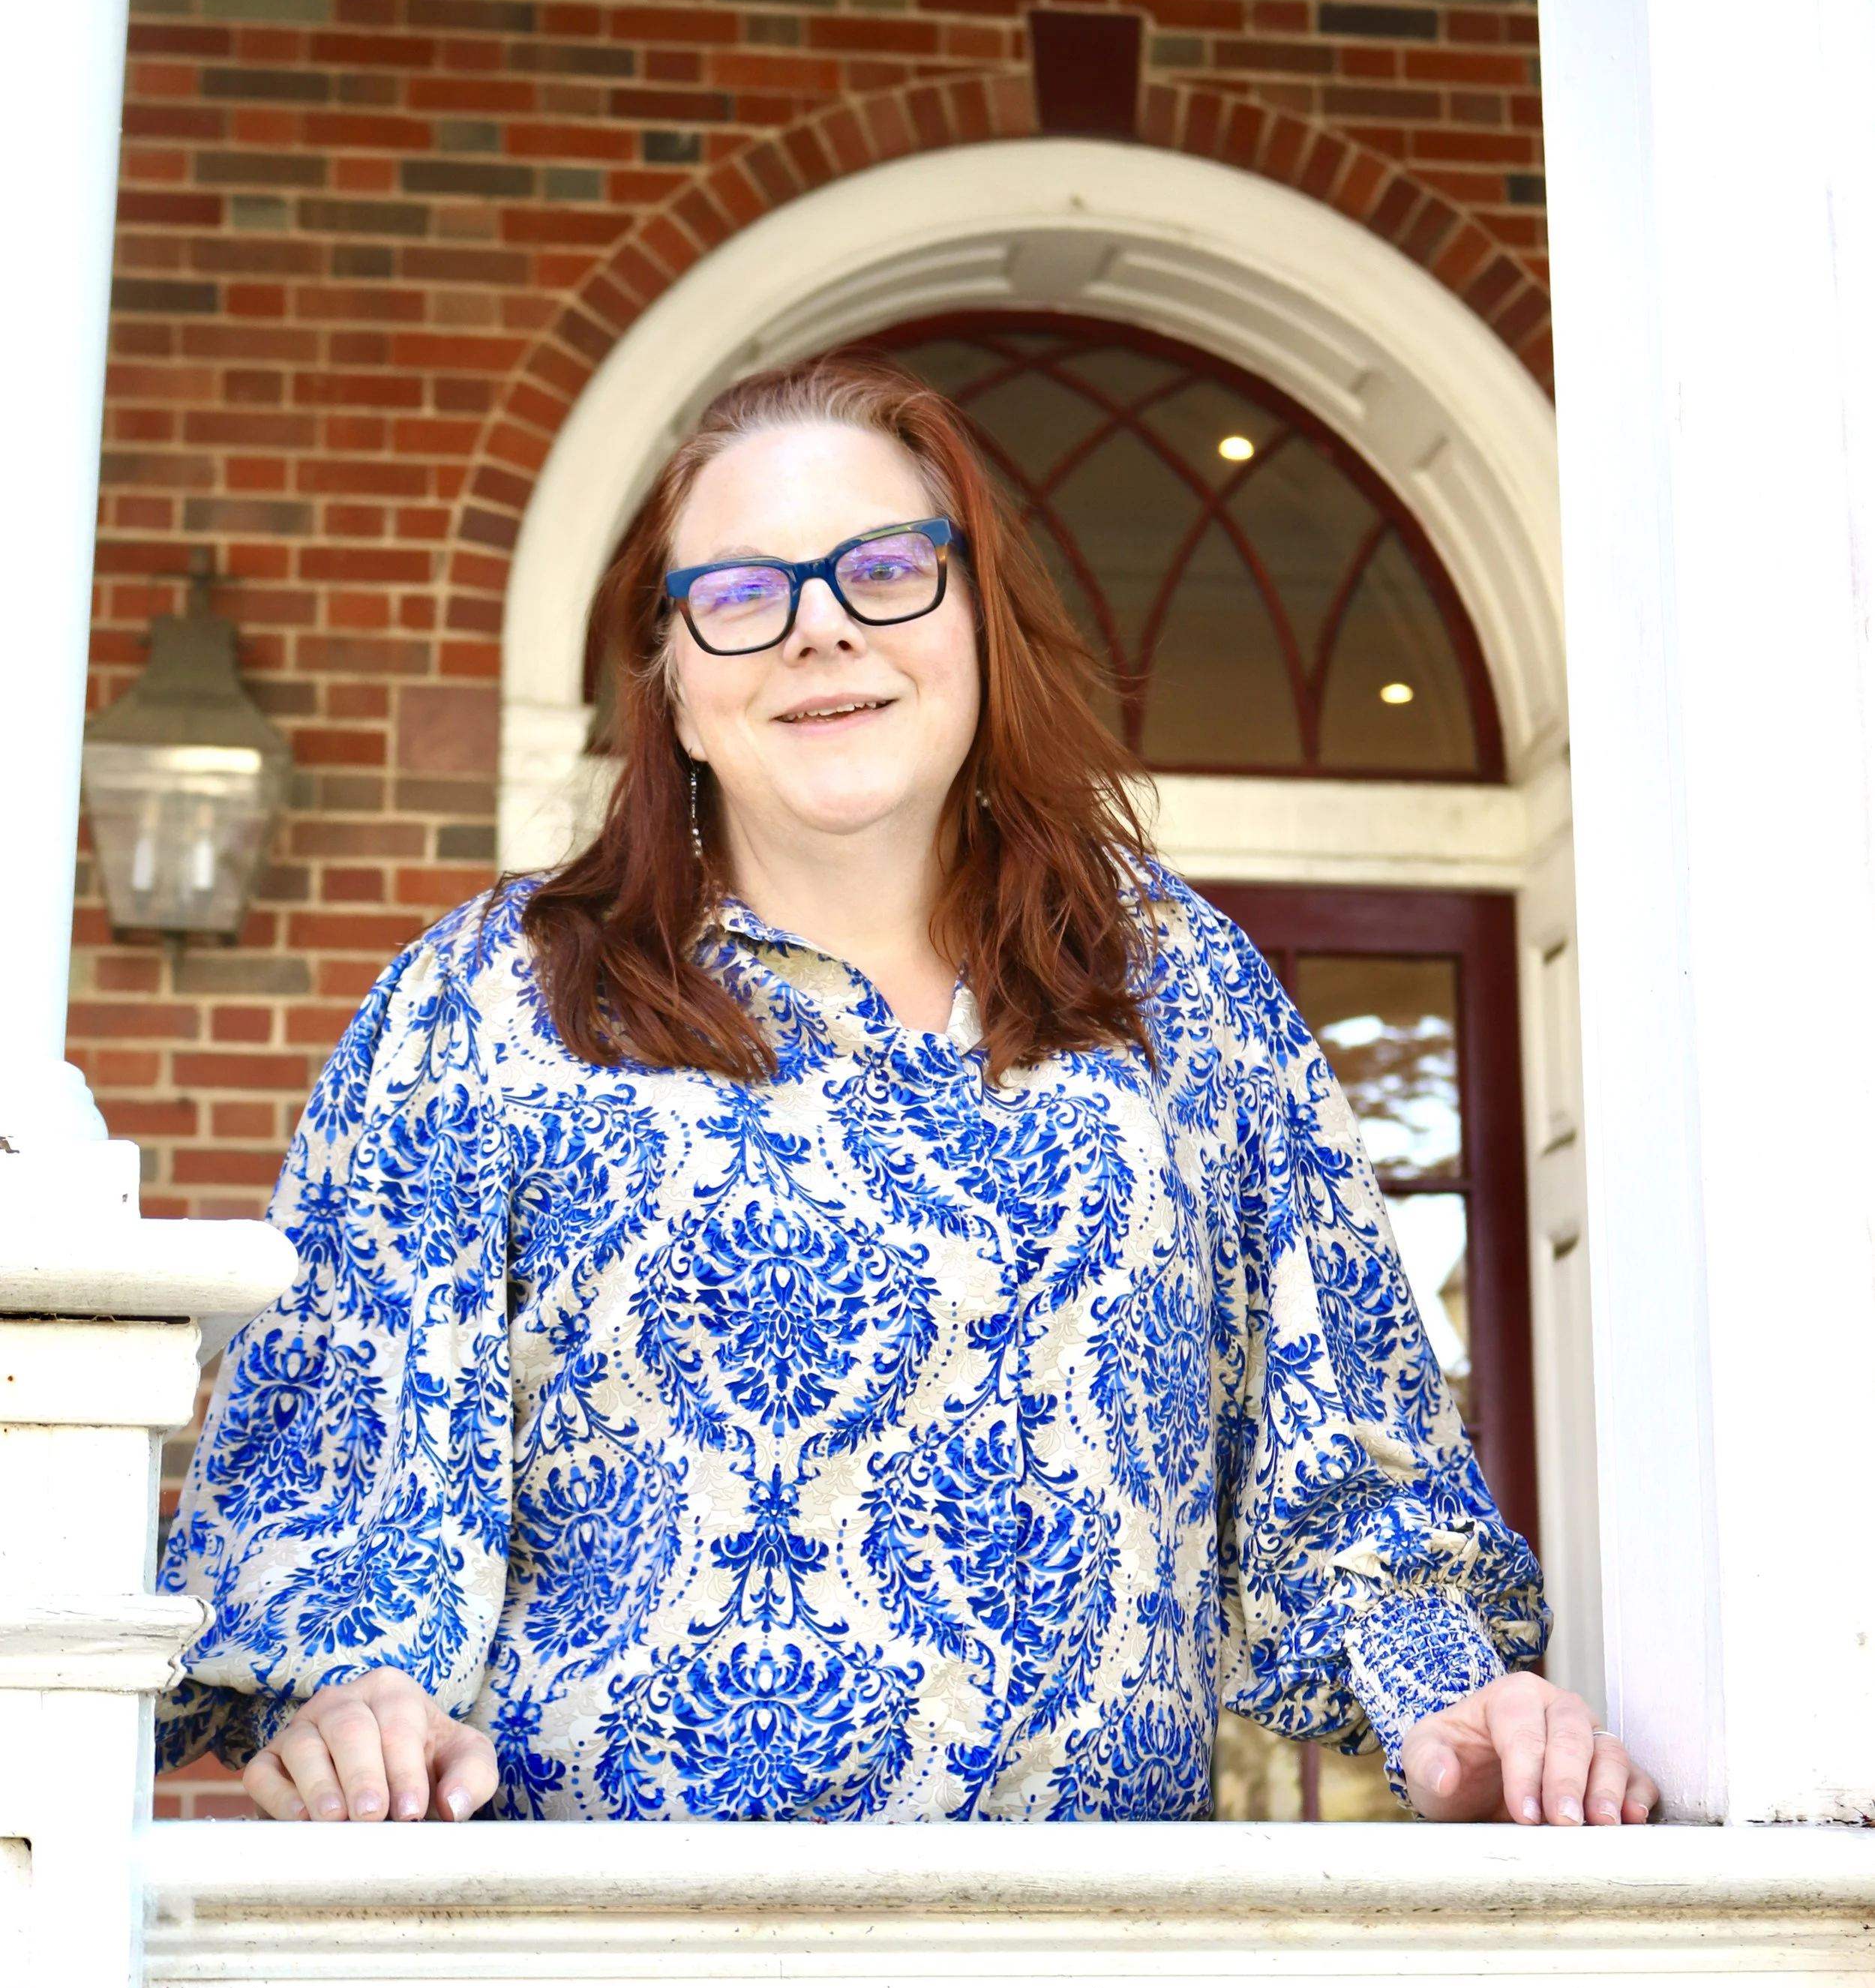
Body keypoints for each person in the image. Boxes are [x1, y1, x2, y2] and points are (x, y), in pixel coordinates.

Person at [157, 354, 1657, 1832]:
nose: (817, 631)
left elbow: (1344, 1476)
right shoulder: (490, 998)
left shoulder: (1180, 990)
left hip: (1085, 1982)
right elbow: (345, 1477)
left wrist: (1449, 1705)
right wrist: (343, 1702)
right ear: (673, 688)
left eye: (883, 568)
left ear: (975, 624)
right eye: (738, 596)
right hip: (606, 1977)